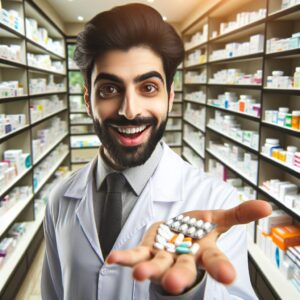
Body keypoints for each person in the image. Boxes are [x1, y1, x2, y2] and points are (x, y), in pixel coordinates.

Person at [41, 3, 271, 300]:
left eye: (148, 87)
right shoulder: (60, 199)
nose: (129, 111)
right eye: (109, 89)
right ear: (88, 100)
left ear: (170, 97)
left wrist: (188, 290)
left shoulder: (214, 201)